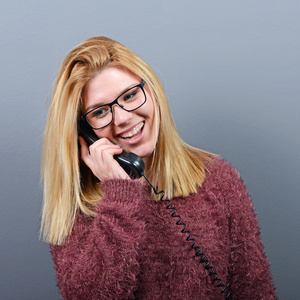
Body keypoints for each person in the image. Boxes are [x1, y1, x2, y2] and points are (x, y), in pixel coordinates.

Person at [41, 36, 277, 299]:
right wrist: (119, 197)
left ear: (152, 91)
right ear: (84, 133)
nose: (123, 118)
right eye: (99, 112)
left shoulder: (217, 180)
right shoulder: (78, 210)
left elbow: (256, 289)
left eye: (130, 95)